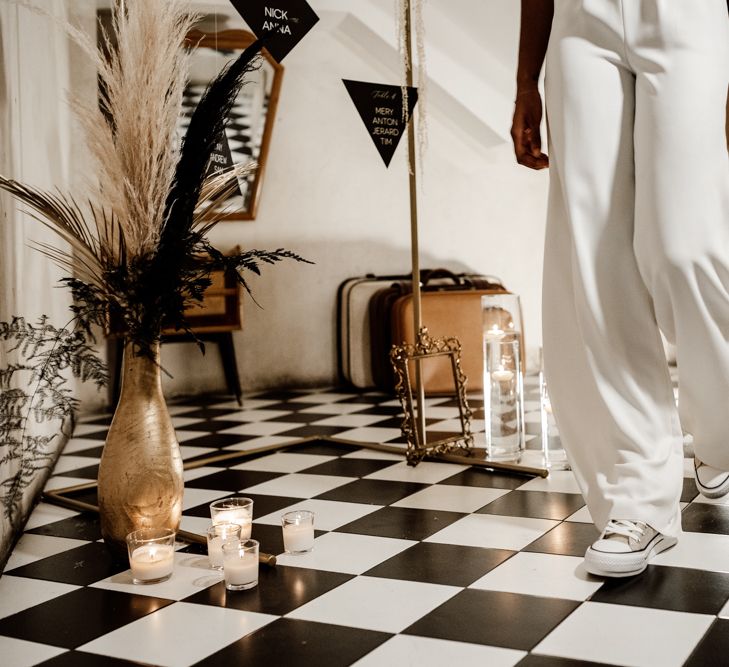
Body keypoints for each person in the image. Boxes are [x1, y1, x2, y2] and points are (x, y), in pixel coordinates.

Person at [511, 0, 729, 577]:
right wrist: (525, 82)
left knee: (686, 246)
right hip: (580, 22)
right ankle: (638, 498)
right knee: (596, 257)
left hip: (691, 16)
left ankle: (721, 426)